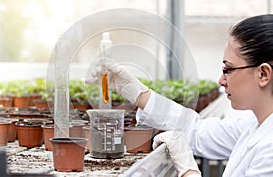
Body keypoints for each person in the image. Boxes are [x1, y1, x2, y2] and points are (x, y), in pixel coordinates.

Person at [86, 14, 273, 177]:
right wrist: (139, 94)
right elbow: (196, 130)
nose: (221, 80)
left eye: (228, 69)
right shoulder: (253, 125)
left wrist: (188, 171)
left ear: (263, 74)